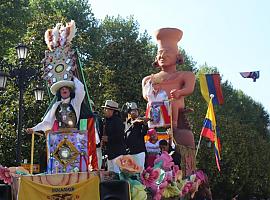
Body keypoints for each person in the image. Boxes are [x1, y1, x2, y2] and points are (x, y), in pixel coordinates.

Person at [142, 28, 195, 129]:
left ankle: (173, 125)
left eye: (167, 52)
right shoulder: (148, 79)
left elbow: (189, 89)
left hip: (175, 106)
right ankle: (152, 125)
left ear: (178, 56)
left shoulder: (186, 75)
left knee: (173, 102)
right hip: (155, 108)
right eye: (160, 53)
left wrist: (179, 92)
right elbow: (146, 95)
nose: (162, 56)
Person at [101, 100, 126, 173]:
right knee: (111, 174)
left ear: (112, 111)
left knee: (117, 173)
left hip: (117, 153)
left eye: (106, 109)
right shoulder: (107, 121)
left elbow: (120, 136)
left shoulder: (117, 121)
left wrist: (108, 138)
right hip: (110, 153)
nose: (104, 111)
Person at [125, 102, 148, 170]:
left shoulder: (140, 122)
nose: (135, 112)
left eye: (136, 110)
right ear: (129, 112)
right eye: (133, 110)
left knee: (140, 171)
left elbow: (143, 133)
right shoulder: (128, 122)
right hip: (130, 152)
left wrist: (145, 124)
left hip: (139, 151)